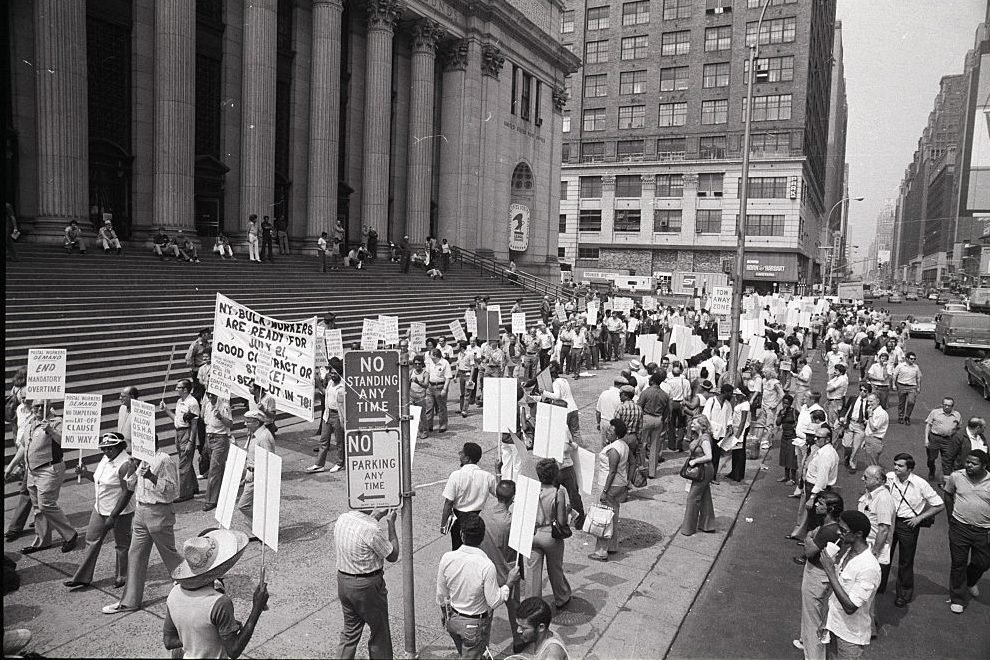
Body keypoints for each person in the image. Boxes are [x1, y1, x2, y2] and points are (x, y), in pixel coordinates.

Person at [103, 433, 182, 614]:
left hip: (159, 512)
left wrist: (152, 477)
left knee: (169, 554)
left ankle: (201, 580)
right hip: (141, 512)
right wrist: (133, 468)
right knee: (135, 554)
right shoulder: (141, 460)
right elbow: (131, 486)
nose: (136, 446)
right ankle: (130, 601)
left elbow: (172, 491)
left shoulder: (164, 459)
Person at [164, 528, 269, 659]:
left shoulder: (174, 594)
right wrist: (256, 609)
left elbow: (169, 641)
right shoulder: (219, 603)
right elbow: (234, 650)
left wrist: (205, 635)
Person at [436, 515, 522, 659]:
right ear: (482, 538)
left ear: (462, 535)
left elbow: (441, 595)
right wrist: (509, 583)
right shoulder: (486, 566)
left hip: (453, 620)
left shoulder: (447, 558)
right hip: (474, 626)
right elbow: (494, 601)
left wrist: (446, 616)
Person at [64, 433, 136, 590]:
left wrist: (113, 516)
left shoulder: (125, 464)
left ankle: (122, 576)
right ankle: (82, 577)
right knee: (91, 540)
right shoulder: (106, 459)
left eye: (110, 448)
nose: (106, 451)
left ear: (119, 447)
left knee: (122, 545)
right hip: (100, 508)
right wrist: (85, 473)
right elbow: (100, 480)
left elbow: (127, 493)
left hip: (120, 511)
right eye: (104, 448)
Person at [334, 506, 399, 658]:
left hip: (344, 582)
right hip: (367, 586)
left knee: (350, 633)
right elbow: (393, 555)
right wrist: (391, 524)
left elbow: (361, 530)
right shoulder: (372, 529)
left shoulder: (343, 519)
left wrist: (376, 516)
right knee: (379, 632)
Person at [820, 511, 883, 659]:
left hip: (850, 638)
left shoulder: (869, 568)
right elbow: (836, 593)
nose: (838, 532)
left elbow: (850, 607)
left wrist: (829, 570)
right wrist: (825, 622)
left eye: (843, 530)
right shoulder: (848, 552)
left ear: (858, 534)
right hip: (834, 627)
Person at [886, 452, 945, 607]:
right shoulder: (889, 477)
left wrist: (919, 518)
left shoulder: (920, 484)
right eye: (895, 464)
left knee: (906, 560)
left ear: (909, 468)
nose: (895, 468)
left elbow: (939, 505)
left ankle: (903, 594)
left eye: (900, 465)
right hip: (889, 521)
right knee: (884, 554)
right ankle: (878, 585)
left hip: (908, 524)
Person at [20, 400, 78, 555]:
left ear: (48, 406)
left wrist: (51, 431)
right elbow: (24, 446)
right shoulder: (31, 423)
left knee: (46, 504)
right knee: (38, 508)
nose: (39, 408)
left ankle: (70, 535)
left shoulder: (56, 422)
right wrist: (13, 465)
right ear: (31, 408)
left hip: (49, 468)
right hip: (33, 471)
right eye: (36, 406)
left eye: (42, 405)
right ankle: (42, 541)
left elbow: (65, 442)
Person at [793, 492, 844, 660]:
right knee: (813, 613)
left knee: (813, 618)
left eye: (820, 503)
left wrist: (808, 537)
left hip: (816, 574)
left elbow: (809, 551)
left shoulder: (827, 531)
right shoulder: (832, 526)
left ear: (829, 509)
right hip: (820, 573)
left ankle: (814, 655)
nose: (816, 505)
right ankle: (805, 641)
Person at [941, 449, 990, 614]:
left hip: (983, 530)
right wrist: (950, 517)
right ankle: (957, 598)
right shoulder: (956, 476)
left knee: (983, 562)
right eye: (967, 462)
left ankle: (969, 581)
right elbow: (948, 494)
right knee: (958, 563)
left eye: (974, 463)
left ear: (984, 466)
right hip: (959, 527)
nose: (969, 465)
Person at [479, 480, 524, 652]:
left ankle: (484, 649)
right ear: (512, 498)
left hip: (488, 569)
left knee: (487, 613)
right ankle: (518, 638)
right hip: (508, 571)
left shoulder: (484, 515)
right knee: (514, 608)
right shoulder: (511, 522)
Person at [857, 465, 895, 636]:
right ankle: (869, 623)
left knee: (867, 588)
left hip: (873, 547)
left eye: (866, 477)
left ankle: (870, 627)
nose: (862, 479)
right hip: (865, 543)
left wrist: (873, 554)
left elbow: (884, 529)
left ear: (879, 480)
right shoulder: (870, 494)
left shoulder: (883, 499)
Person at [529, 458, 572, 609]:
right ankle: (561, 597)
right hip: (550, 535)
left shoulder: (532, 489)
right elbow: (561, 521)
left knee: (533, 572)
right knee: (555, 569)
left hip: (533, 534)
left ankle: (533, 604)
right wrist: (567, 512)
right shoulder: (558, 492)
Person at [441, 442, 497, 551]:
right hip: (477, 518)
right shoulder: (487, 477)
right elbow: (499, 493)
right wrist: (498, 472)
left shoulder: (456, 475)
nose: (459, 454)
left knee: (457, 549)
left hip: (458, 520)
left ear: (467, 459)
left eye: (461, 453)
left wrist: (444, 525)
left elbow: (448, 503)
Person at [589, 418, 629, 561]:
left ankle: (601, 551)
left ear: (617, 434)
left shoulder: (613, 450)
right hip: (619, 484)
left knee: (604, 518)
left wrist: (605, 491)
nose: (608, 432)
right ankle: (612, 546)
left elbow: (612, 471)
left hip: (610, 485)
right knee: (613, 516)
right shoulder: (623, 445)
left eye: (611, 431)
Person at [237, 410, 276, 538]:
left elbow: (268, 459)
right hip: (251, 475)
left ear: (256, 422)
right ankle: (259, 531)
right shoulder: (253, 434)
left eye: (248, 422)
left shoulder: (264, 437)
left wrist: (254, 473)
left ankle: (263, 528)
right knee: (252, 505)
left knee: (243, 505)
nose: (245, 424)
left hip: (258, 477)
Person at [160, 379, 200, 503]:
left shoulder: (192, 403)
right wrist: (166, 409)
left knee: (183, 464)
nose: (176, 389)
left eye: (178, 387)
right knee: (186, 460)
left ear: (185, 389)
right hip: (178, 432)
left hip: (187, 433)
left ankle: (184, 493)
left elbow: (194, 424)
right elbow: (176, 419)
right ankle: (193, 487)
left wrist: (190, 441)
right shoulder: (179, 401)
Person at [681, 416, 716, 537]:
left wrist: (695, 461)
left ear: (701, 425)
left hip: (704, 469)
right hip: (704, 469)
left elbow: (709, 456)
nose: (691, 425)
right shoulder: (699, 437)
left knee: (692, 498)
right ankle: (707, 524)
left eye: (694, 423)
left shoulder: (704, 439)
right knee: (705, 496)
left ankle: (688, 528)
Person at [200, 386, 233, 512]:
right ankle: (223, 493)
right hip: (210, 437)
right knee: (219, 469)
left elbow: (230, 424)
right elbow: (206, 423)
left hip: (220, 438)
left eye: (213, 395)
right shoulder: (207, 405)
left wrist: (220, 417)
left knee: (214, 470)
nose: (210, 397)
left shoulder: (224, 406)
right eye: (208, 394)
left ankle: (211, 500)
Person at [308, 369, 345, 473]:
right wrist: (317, 381)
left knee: (339, 442)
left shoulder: (343, 386)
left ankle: (340, 463)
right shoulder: (330, 383)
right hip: (327, 415)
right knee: (324, 440)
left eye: (335, 373)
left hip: (338, 416)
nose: (332, 375)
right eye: (331, 373)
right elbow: (325, 393)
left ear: (340, 374)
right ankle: (319, 464)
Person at [638, 372, 669, 478]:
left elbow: (639, 407)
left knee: (642, 444)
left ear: (652, 381)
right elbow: (667, 411)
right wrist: (662, 419)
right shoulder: (664, 394)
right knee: (655, 447)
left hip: (646, 418)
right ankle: (652, 472)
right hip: (658, 419)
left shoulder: (646, 392)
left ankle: (642, 467)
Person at [923, 397, 961, 482]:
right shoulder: (935, 412)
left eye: (949, 405)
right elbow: (928, 425)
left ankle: (946, 478)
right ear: (942, 405)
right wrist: (926, 439)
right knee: (931, 458)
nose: (947, 407)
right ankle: (932, 471)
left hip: (948, 440)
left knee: (948, 459)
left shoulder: (957, 415)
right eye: (945, 405)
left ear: (952, 406)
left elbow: (958, 428)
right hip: (934, 438)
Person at [702, 383, 734, 482]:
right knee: (707, 455)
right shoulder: (711, 401)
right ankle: (704, 475)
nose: (731, 396)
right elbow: (705, 415)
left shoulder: (727, 405)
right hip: (710, 432)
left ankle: (713, 476)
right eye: (730, 393)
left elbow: (729, 418)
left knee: (716, 456)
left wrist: (730, 426)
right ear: (725, 392)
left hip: (721, 434)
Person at [427, 349, 453, 434]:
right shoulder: (430, 362)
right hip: (430, 386)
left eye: (431, 355)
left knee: (441, 408)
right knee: (429, 407)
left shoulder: (445, 363)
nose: (430, 357)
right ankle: (429, 426)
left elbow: (448, 377)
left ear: (435, 355)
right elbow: (428, 373)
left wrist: (445, 389)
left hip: (440, 387)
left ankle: (443, 425)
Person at [891, 351, 921, 425]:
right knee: (902, 403)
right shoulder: (900, 366)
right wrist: (893, 385)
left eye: (914, 359)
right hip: (901, 385)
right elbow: (894, 375)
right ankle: (900, 417)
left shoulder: (916, 367)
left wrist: (918, 387)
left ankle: (907, 416)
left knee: (911, 402)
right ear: (907, 359)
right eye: (911, 359)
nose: (913, 360)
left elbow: (918, 378)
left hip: (912, 386)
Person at [777, 394, 800, 485]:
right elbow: (778, 423)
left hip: (792, 436)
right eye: (784, 403)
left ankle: (793, 478)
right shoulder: (781, 411)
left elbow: (799, 422)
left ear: (790, 404)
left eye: (787, 403)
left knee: (792, 457)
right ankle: (786, 476)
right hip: (784, 435)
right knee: (785, 456)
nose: (785, 405)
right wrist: (781, 415)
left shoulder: (795, 412)